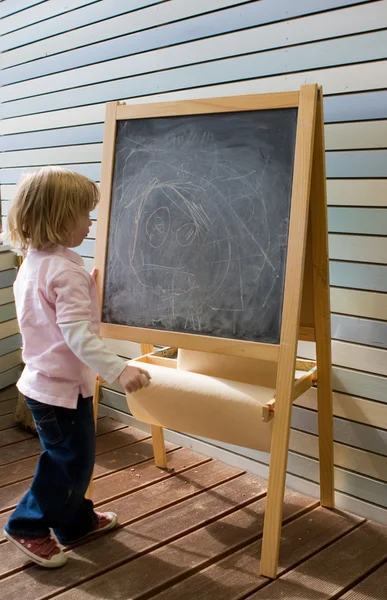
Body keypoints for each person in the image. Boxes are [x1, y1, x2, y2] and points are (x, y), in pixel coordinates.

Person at [2, 166, 151, 568]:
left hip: (48, 384)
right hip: (60, 390)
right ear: (59, 217)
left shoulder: (37, 262)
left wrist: (88, 287)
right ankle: (27, 526)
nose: (90, 222)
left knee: (75, 459)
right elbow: (77, 336)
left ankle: (75, 522)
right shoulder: (64, 270)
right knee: (67, 461)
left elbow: (56, 319)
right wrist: (119, 370)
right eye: (85, 215)